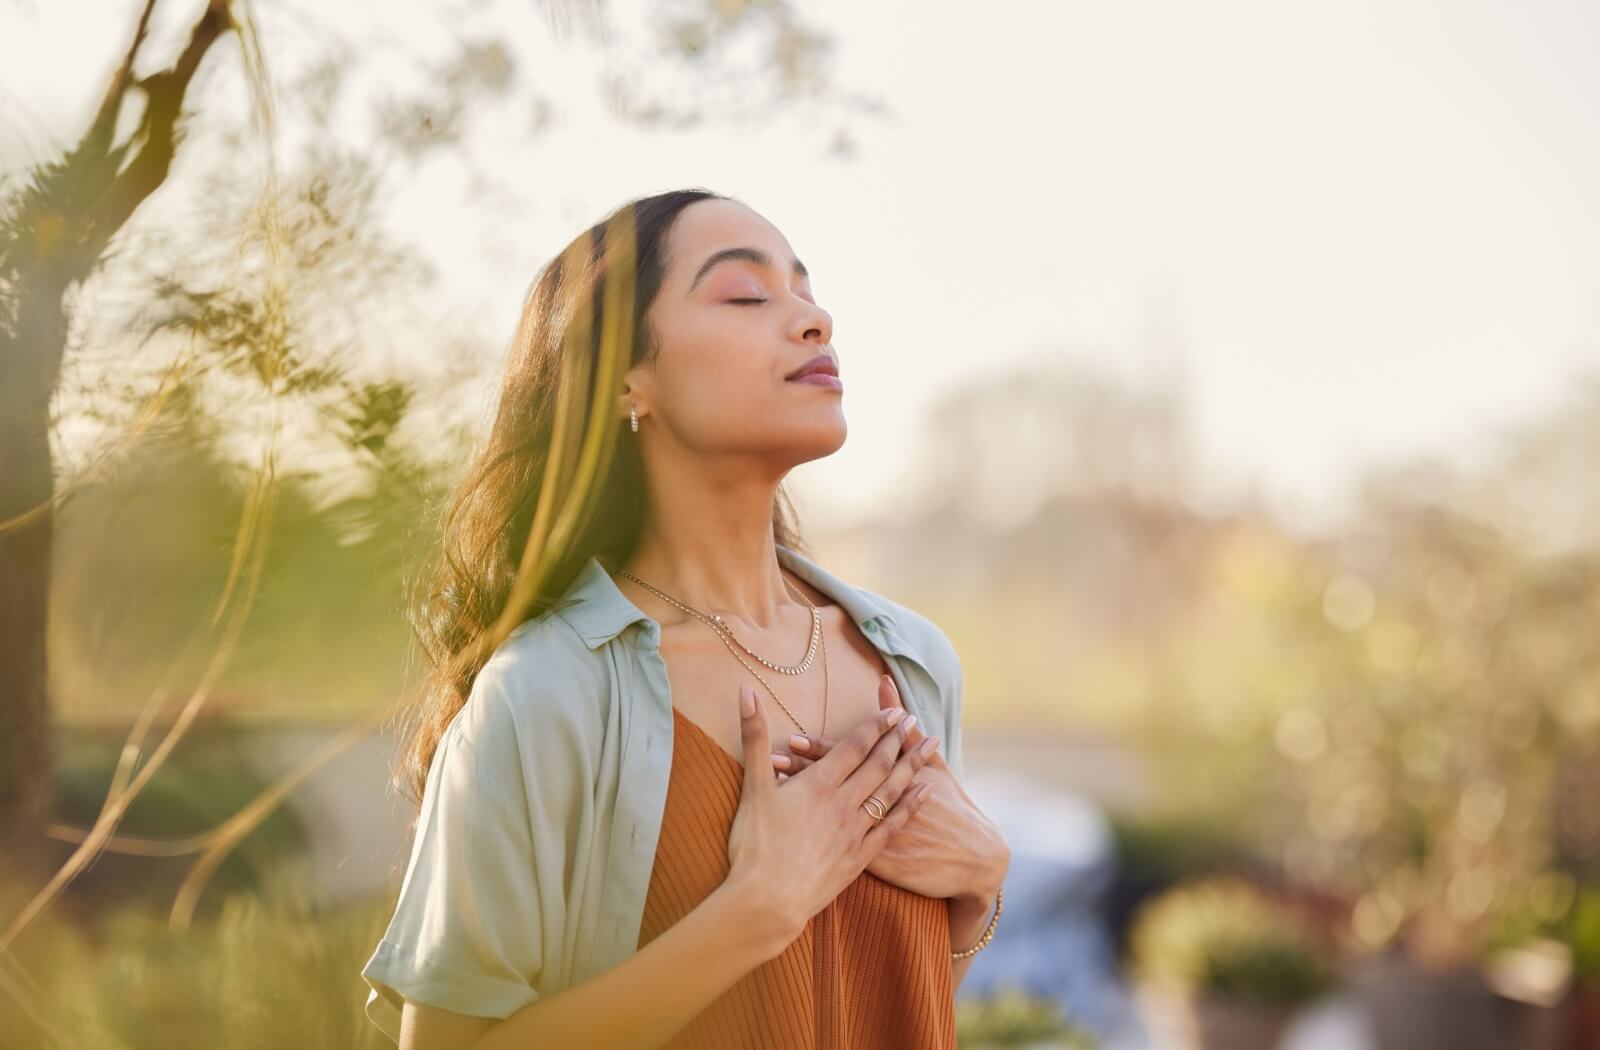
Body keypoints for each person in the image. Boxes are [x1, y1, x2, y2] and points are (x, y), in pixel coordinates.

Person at [359, 188, 1011, 1049]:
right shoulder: (544, 694)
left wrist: (980, 892)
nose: (814, 319)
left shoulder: (917, 663)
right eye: (747, 295)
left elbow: (889, 995)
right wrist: (752, 912)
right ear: (629, 380)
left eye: (807, 291)